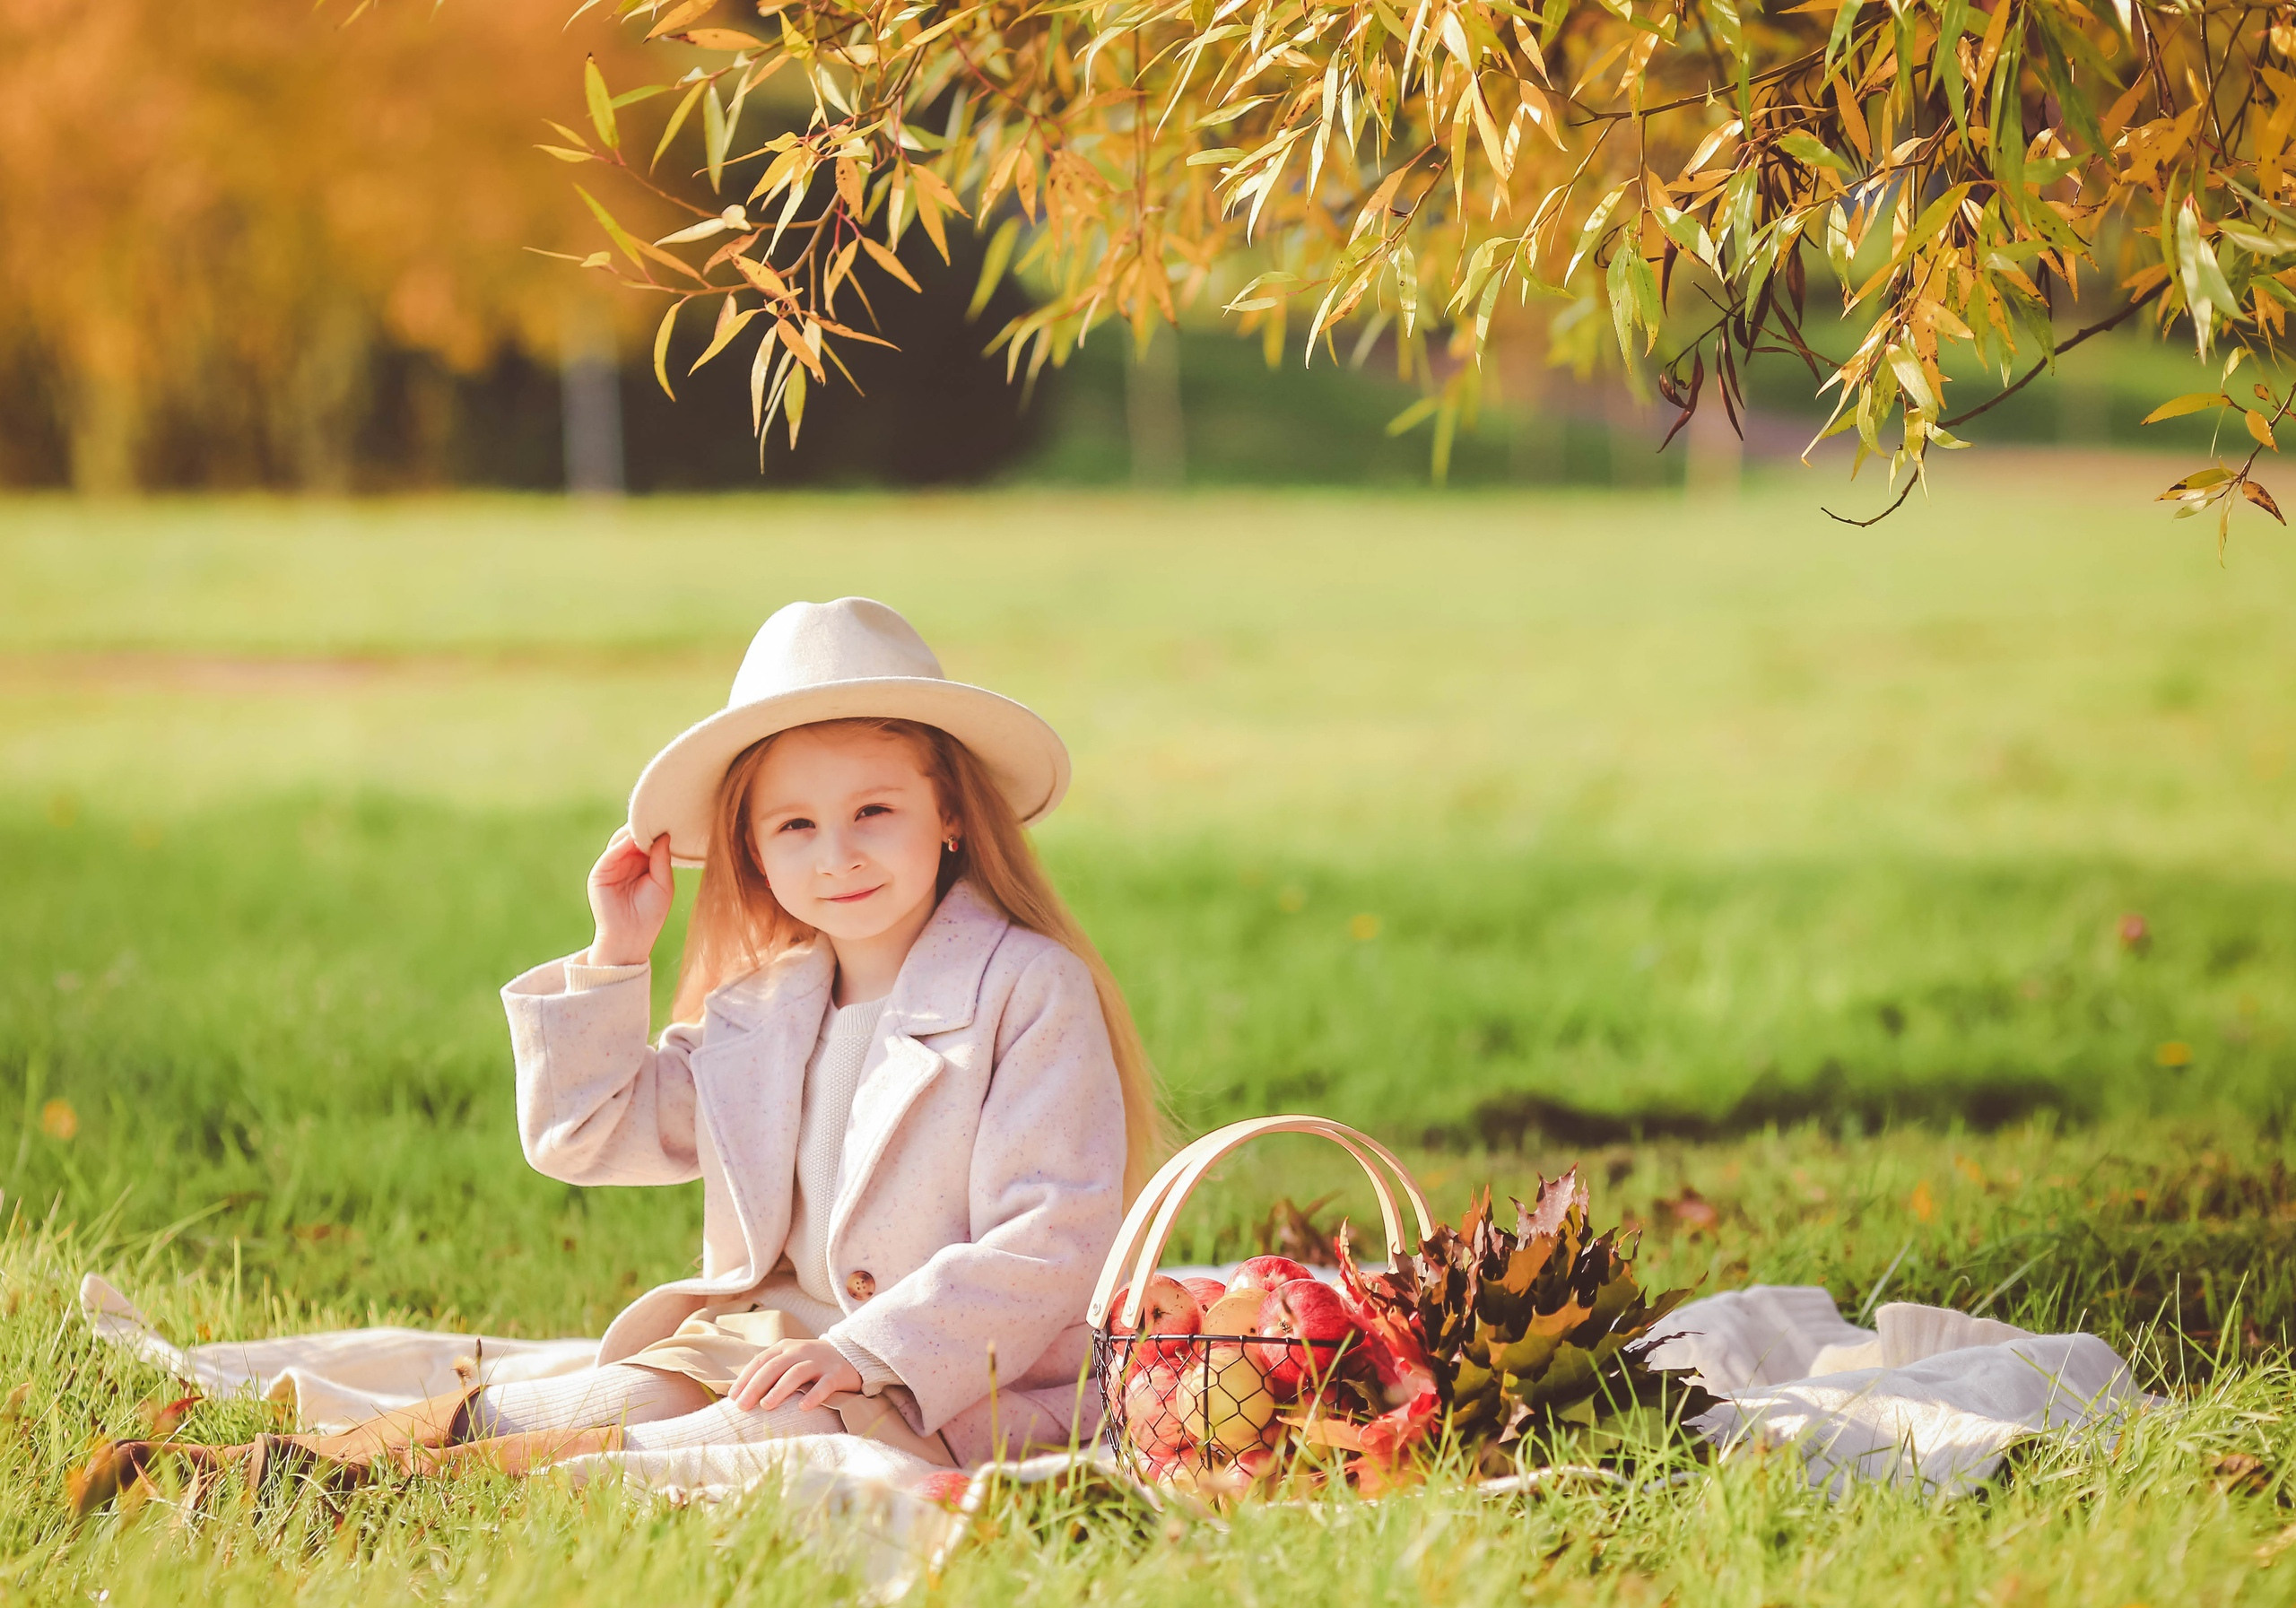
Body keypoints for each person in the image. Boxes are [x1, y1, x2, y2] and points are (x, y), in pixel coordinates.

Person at [79, 596, 1158, 1499]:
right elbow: (581, 1134)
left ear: (952, 815)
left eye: (874, 809)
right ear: (751, 849)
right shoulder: (765, 1008)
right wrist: (616, 951)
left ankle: (353, 1496)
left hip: (951, 1380)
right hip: (770, 1342)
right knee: (587, 1398)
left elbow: (1053, 1233)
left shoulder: (1024, 988)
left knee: (699, 1447)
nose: (838, 855)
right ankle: (265, 1467)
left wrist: (861, 1351)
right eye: (795, 826)